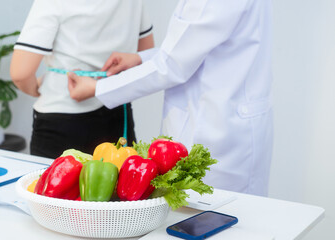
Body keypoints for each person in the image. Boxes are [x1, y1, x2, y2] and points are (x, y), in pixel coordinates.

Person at [67, 0, 273, 196]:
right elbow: (193, 45)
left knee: (216, 219)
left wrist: (99, 88)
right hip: (231, 117)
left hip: (217, 128)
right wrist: (141, 58)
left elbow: (173, 65)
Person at [10, 0, 154, 158]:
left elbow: (20, 74)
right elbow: (144, 54)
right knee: (119, 181)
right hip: (117, 112)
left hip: (62, 118)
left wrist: (36, 88)